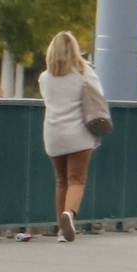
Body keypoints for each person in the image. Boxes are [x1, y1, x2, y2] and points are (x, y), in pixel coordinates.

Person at [37, 31, 107, 243]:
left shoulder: (44, 78)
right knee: (76, 179)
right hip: (79, 134)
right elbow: (99, 94)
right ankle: (70, 213)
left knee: (61, 180)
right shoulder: (84, 73)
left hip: (53, 133)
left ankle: (61, 229)